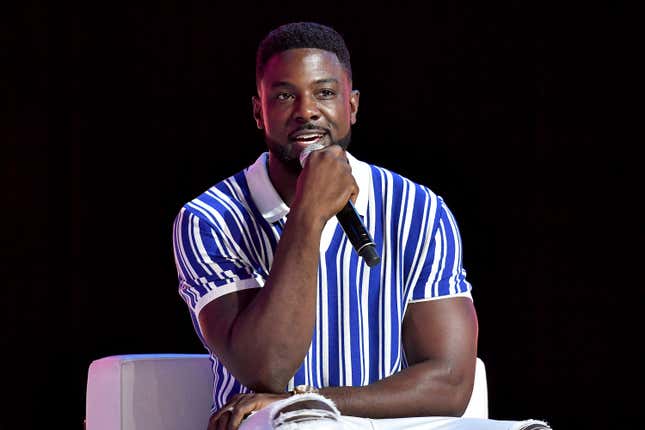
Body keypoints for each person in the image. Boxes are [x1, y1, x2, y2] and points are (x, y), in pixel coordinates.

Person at [172, 22, 551, 430]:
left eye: (325, 93)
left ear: (351, 106)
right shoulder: (209, 219)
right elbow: (266, 370)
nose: (306, 110)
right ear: (258, 112)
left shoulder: (418, 209)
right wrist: (308, 213)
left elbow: (451, 383)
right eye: (284, 95)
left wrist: (310, 402)